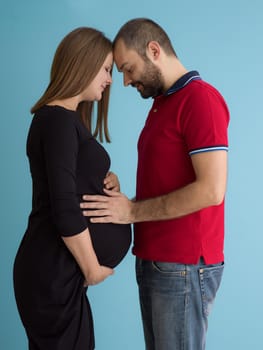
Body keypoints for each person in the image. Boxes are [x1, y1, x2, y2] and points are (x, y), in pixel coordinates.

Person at [80, 18, 230, 350]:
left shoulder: (200, 100)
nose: (124, 80)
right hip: (156, 260)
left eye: (128, 68)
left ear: (154, 50)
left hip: (183, 266)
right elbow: (165, 183)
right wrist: (122, 199)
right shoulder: (162, 105)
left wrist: (131, 211)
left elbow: (211, 189)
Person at [13, 27, 131, 350]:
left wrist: (107, 180)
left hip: (57, 276)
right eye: (106, 69)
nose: (110, 81)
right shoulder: (58, 121)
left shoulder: (62, 120)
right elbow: (64, 207)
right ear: (84, 61)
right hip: (52, 276)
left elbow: (70, 184)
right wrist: (92, 269)